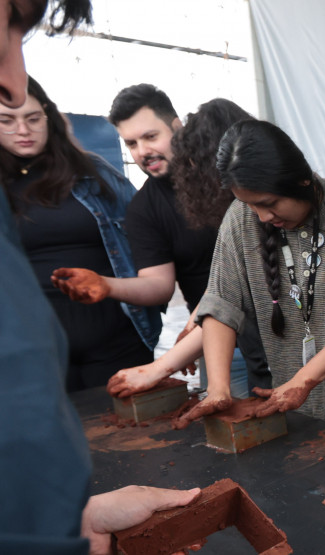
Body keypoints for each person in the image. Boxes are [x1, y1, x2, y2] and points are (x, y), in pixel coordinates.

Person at [0, 2, 199, 553]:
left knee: (139, 450)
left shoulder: (96, 180)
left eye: (34, 117)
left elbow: (154, 274)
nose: (21, 122)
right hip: (47, 361)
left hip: (110, 339)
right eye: (7, 119)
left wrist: (108, 287)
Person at [174, 120, 325, 429]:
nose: (262, 216)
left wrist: (304, 381)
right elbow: (221, 301)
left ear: (301, 181)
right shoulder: (242, 219)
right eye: (250, 205)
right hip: (293, 419)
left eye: (269, 203)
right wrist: (217, 390)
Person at [0, 76, 160, 391]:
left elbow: (149, 239)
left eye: (33, 119)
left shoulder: (92, 173)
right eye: (7, 121)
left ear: (49, 117)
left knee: (135, 436)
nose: (23, 130)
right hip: (37, 352)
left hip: (120, 342)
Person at [107, 98, 271, 398]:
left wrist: (164, 364)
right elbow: (226, 282)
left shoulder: (244, 204)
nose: (142, 151)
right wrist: (197, 326)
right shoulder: (146, 208)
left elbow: (231, 285)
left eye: (151, 136)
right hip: (219, 333)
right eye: (131, 143)